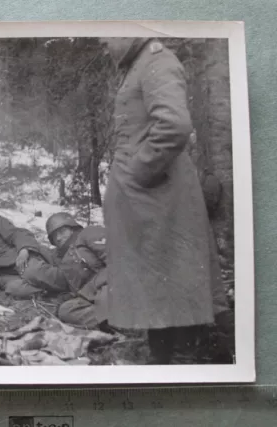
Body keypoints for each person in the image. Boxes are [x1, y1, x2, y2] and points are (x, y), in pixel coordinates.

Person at [100, 37, 232, 364]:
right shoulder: (140, 64)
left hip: (158, 194)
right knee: (158, 280)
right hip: (150, 197)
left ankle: (197, 356)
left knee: (170, 277)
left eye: (106, 34)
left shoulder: (157, 61)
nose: (103, 42)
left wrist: (137, 172)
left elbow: (173, 125)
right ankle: (162, 355)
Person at [41, 213, 109, 330]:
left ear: (72, 228)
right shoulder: (63, 260)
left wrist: (90, 290)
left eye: (61, 232)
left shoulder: (88, 233)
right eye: (54, 237)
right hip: (96, 297)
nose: (58, 238)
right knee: (66, 310)